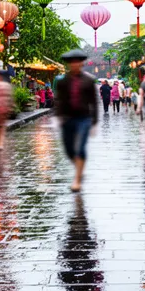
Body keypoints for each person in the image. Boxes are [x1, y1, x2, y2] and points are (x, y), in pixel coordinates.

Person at [55, 49, 98, 192]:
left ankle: (77, 179)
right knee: (69, 150)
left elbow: (94, 102)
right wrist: (58, 117)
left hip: (84, 118)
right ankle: (79, 167)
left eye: (77, 62)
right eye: (71, 62)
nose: (74, 65)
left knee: (80, 148)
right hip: (67, 118)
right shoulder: (62, 82)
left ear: (81, 63)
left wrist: (94, 122)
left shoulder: (89, 80)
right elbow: (59, 101)